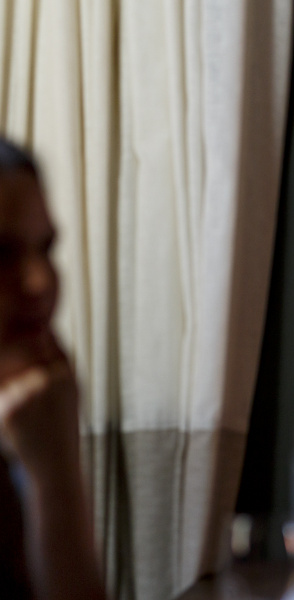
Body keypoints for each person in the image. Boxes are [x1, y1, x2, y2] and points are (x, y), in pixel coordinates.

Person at [0, 140, 106, 599]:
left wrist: (55, 465)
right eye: (2, 253)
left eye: (46, 248)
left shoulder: (26, 419)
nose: (40, 280)